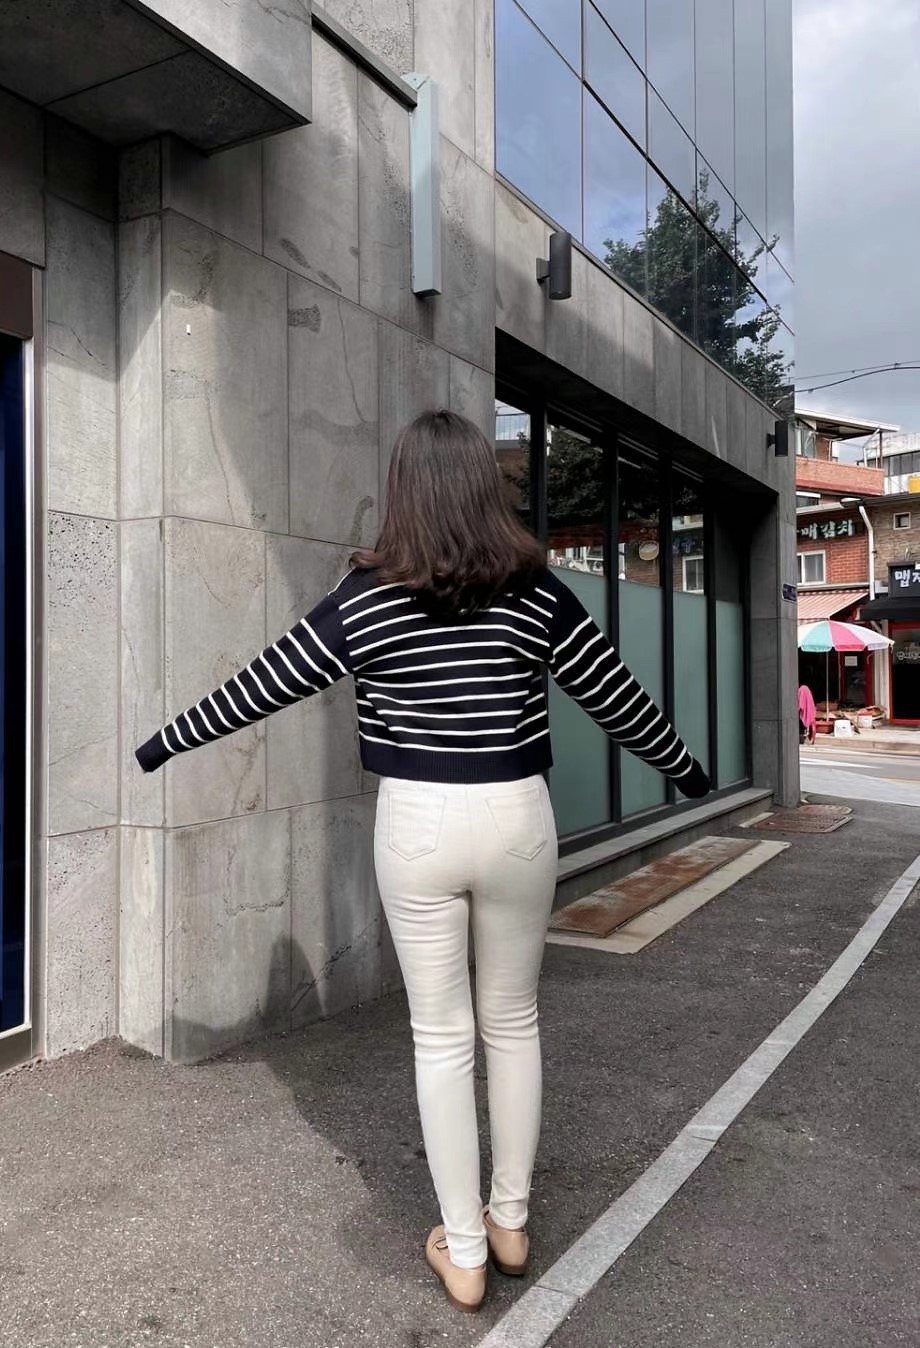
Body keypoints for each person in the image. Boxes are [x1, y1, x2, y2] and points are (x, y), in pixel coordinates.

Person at [135, 409, 710, 1312]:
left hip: (418, 822)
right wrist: (687, 770)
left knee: (441, 1037)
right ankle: (511, 1221)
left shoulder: (365, 596)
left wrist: (161, 745)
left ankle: (466, 1250)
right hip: (517, 816)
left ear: (402, 491)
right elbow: (615, 697)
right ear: (486, 486)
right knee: (512, 1021)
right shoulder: (536, 591)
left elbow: (266, 682)